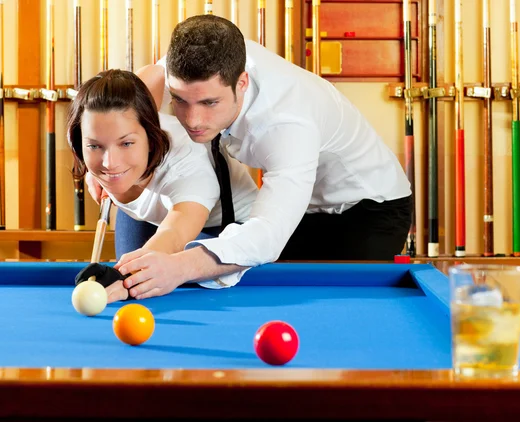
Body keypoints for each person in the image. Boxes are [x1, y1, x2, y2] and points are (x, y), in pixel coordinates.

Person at [87, 14, 413, 301]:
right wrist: (107, 158)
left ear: (241, 83)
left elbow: (268, 233)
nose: (192, 120)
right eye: (180, 100)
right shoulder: (206, 55)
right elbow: (147, 85)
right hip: (302, 207)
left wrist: (179, 267)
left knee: (336, 309)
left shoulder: (286, 123)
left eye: (210, 103)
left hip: (370, 211)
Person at [69, 69, 257, 301]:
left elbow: (175, 233)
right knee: (141, 283)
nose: (110, 163)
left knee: (147, 279)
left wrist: (121, 276)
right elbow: (156, 72)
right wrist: (92, 170)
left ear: (150, 137)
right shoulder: (107, 137)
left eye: (126, 143)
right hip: (154, 214)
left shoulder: (188, 165)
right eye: (95, 146)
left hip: (225, 224)